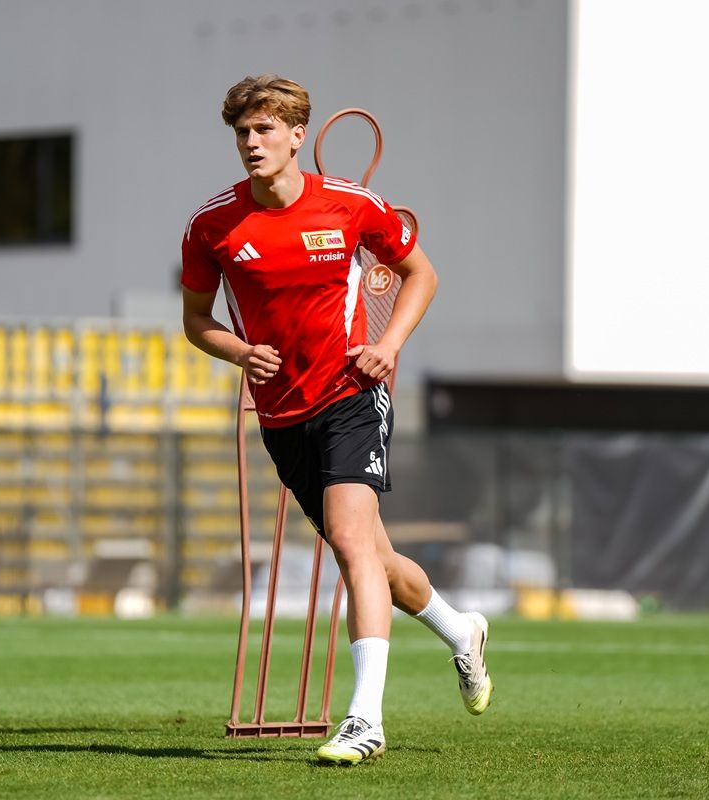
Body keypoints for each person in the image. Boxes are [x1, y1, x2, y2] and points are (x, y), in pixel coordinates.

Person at [180, 74, 492, 765]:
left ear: (298, 136)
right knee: (375, 560)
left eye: (264, 129)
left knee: (351, 544)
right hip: (280, 414)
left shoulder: (350, 204)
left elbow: (420, 274)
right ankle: (460, 630)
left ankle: (364, 720)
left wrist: (388, 345)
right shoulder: (212, 225)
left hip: (351, 394)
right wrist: (239, 351)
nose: (251, 142)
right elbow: (196, 320)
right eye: (242, 132)